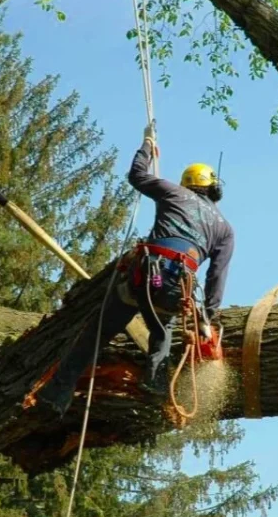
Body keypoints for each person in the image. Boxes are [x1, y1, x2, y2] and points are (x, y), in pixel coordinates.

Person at [38, 124, 235, 416]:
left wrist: (146, 146)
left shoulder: (173, 192)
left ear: (188, 183)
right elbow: (216, 276)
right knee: (162, 330)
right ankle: (155, 385)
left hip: (143, 276)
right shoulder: (225, 229)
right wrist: (208, 316)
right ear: (213, 188)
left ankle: (57, 393)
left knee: (97, 333)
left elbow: (138, 176)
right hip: (175, 289)